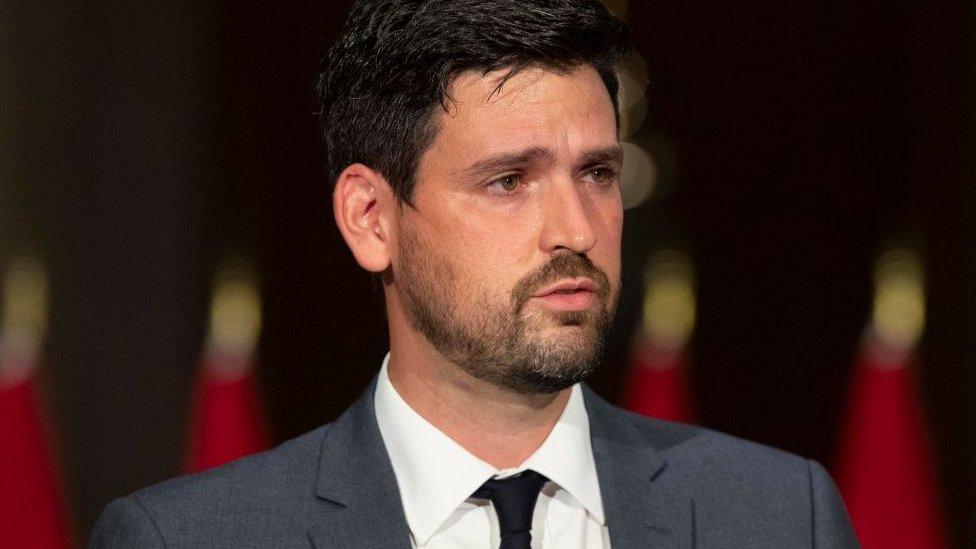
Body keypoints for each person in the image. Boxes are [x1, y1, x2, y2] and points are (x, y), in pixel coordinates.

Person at [90, 0, 859, 547]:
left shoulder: (781, 518)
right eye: (508, 181)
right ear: (370, 218)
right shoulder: (189, 538)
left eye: (596, 173)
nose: (577, 229)